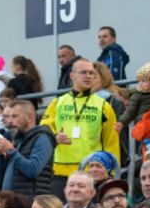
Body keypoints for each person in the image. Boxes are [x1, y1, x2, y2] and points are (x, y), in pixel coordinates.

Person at [41, 59, 120, 196]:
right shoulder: (57, 103)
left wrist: (110, 173)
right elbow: (43, 132)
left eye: (91, 73)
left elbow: (111, 142)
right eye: (84, 72)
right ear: (73, 76)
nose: (88, 76)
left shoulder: (103, 106)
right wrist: (54, 137)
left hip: (90, 173)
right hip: (60, 172)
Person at [0, 100, 54, 197]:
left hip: (30, 204)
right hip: (12, 202)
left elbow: (33, 170)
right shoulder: (18, 139)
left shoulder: (42, 138)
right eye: (8, 117)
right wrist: (1, 155)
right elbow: (1, 176)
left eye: (15, 116)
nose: (10, 121)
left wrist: (10, 151)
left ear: (29, 117)